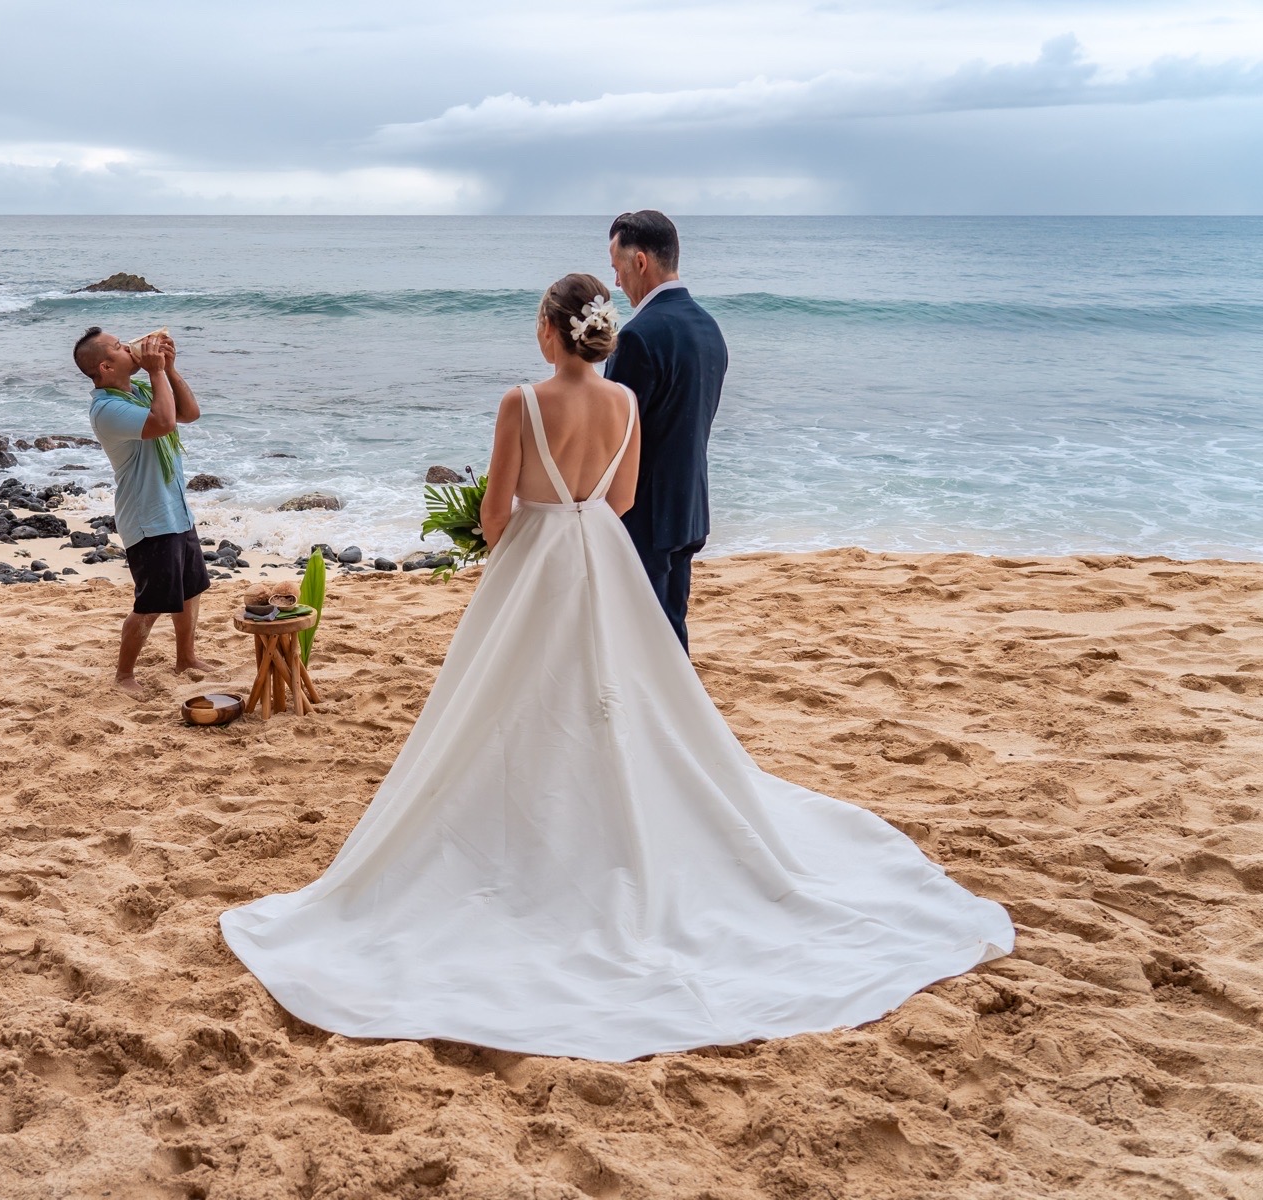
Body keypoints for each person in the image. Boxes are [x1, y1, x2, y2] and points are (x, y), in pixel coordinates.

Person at [219, 273, 1013, 1062]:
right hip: (602, 554)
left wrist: (507, 533)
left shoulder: (520, 403)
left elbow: (495, 514)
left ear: (548, 330)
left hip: (535, 560)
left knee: (508, 699)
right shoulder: (625, 404)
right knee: (612, 695)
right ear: (596, 331)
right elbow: (624, 499)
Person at [604, 209, 727, 653]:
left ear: (640, 262)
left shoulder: (638, 336)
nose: (616, 283)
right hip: (688, 507)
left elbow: (612, 438)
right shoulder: (708, 327)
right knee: (670, 631)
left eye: (617, 269)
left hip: (644, 517)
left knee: (640, 640)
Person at [73, 326, 214, 694]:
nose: (127, 347)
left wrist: (168, 368)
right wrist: (154, 370)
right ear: (105, 367)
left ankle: (186, 657)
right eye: (119, 347)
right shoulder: (107, 409)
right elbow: (163, 423)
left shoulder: (138, 392)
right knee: (151, 604)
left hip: (174, 508)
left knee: (189, 591)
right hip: (148, 517)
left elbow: (189, 414)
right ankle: (124, 676)